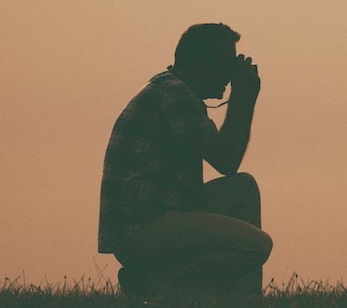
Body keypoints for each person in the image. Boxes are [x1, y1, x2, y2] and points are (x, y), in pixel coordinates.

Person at [97, 23, 271, 297]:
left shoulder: (173, 89)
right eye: (225, 63)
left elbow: (229, 163)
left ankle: (244, 298)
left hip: (160, 214)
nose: (229, 74)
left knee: (244, 188)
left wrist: (246, 97)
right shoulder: (175, 96)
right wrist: (242, 96)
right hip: (143, 227)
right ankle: (155, 282)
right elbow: (226, 160)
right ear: (201, 63)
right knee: (256, 246)